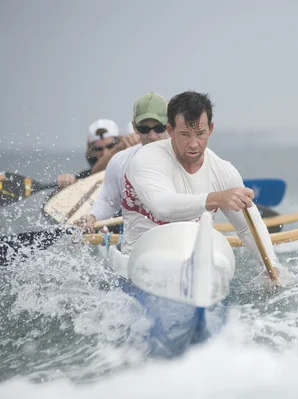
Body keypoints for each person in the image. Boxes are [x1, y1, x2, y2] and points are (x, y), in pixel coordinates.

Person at [120, 90, 280, 275]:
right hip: (141, 261)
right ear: (170, 130)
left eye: (200, 133)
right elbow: (163, 207)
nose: (194, 144)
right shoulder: (147, 159)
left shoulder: (223, 171)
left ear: (210, 129)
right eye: (185, 134)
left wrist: (272, 268)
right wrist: (218, 198)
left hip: (196, 262)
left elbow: (246, 227)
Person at [75, 92, 169, 232]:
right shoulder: (120, 161)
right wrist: (92, 217)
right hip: (136, 244)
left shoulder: (188, 157)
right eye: (144, 128)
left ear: (170, 125)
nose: (152, 135)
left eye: (159, 128)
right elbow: (107, 202)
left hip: (176, 237)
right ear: (135, 127)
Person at [56, 118, 140, 188]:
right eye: (98, 149)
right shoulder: (85, 177)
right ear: (91, 151)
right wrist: (63, 187)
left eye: (111, 146)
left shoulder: (131, 166)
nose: (105, 153)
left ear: (119, 141)